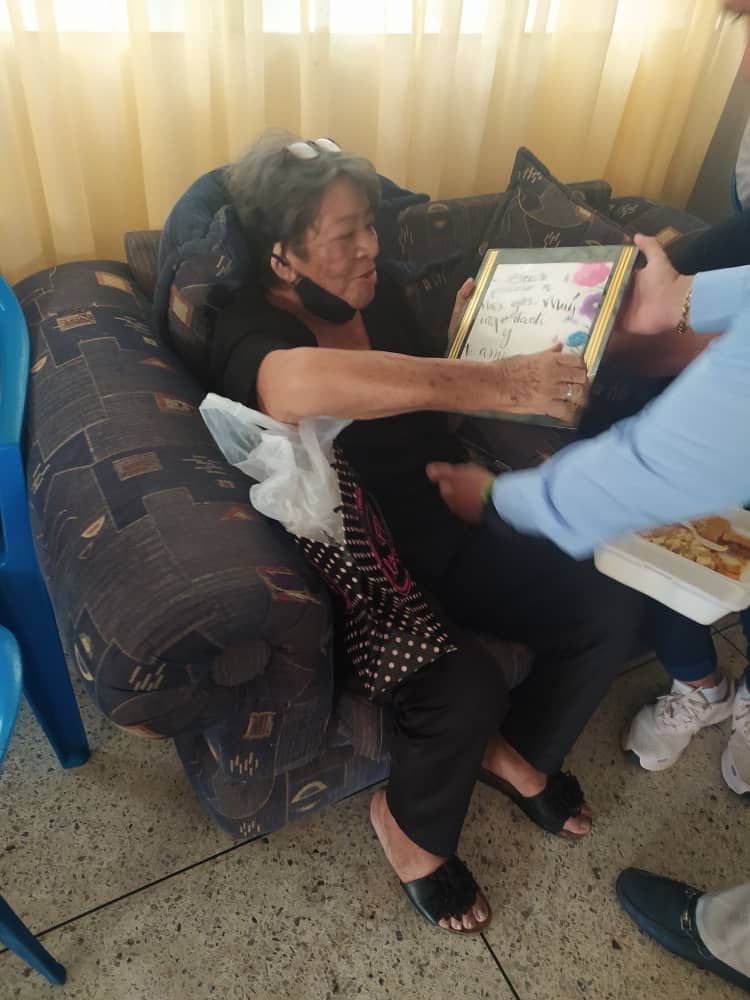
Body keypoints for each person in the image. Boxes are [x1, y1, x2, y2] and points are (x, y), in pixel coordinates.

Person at [212, 130, 639, 935]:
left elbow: (431, 408)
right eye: (346, 237)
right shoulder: (247, 330)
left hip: (449, 507)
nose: (372, 249)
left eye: (371, 226)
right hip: (360, 559)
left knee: (607, 605)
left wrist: (470, 342)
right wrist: (496, 379)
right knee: (462, 686)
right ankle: (407, 830)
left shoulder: (383, 296)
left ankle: (514, 749)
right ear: (282, 259)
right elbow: (296, 384)